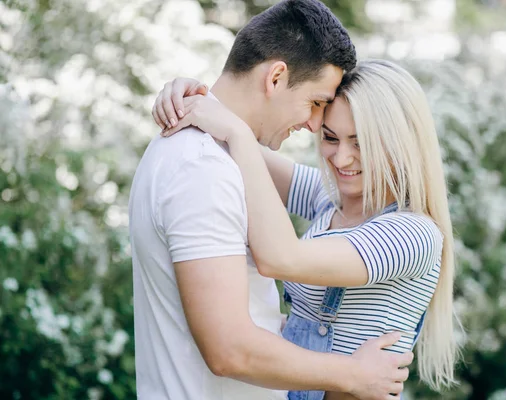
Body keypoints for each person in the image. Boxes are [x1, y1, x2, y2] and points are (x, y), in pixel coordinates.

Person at [129, 0, 413, 399]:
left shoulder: (217, 152)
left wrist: (204, 103)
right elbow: (230, 350)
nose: (315, 124)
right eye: (315, 102)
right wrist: (352, 374)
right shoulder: (203, 170)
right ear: (276, 77)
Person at [156, 59, 460, 400]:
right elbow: (236, 150)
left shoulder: (412, 234)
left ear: (401, 143)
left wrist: (236, 132)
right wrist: (193, 98)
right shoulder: (332, 200)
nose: (341, 159)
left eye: (360, 144)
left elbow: (279, 258)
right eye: (331, 138)